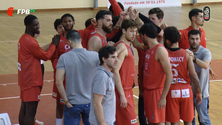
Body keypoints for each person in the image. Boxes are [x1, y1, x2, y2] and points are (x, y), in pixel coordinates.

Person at [18, 14, 59, 125]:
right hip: (32, 80)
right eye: (34, 25)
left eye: (38, 24)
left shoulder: (23, 38)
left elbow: (36, 52)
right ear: (28, 26)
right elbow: (45, 56)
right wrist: (54, 44)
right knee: (31, 111)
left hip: (24, 78)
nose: (38, 27)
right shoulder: (31, 42)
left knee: (24, 107)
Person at [56, 30, 99, 125]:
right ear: (80, 39)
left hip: (73, 103)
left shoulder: (64, 58)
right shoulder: (95, 56)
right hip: (90, 102)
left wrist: (66, 101)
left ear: (70, 42)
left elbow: (58, 82)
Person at [164, 27, 202, 125]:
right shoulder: (187, 54)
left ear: (167, 41)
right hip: (186, 91)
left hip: (172, 90)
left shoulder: (163, 53)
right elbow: (194, 75)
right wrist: (199, 92)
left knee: (174, 122)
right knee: (188, 121)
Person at [138, 23, 172, 125]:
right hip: (148, 92)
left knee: (158, 122)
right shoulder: (148, 48)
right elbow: (135, 43)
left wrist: (163, 97)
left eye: (140, 35)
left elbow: (169, 75)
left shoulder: (160, 50)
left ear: (144, 35)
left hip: (157, 93)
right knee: (151, 122)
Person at [113, 19, 138, 125]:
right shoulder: (122, 48)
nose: (134, 34)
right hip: (122, 91)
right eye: (131, 31)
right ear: (123, 31)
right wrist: (122, 95)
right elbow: (115, 71)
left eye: (135, 31)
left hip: (126, 90)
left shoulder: (125, 46)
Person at [187, 30, 212, 125]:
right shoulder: (186, 52)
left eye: (197, 39)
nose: (194, 41)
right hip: (189, 93)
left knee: (204, 119)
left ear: (200, 39)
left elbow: (205, 65)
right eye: (192, 39)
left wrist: (193, 58)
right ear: (188, 39)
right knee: (190, 119)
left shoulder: (206, 52)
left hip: (202, 93)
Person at [89, 46, 118, 125]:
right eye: (113, 57)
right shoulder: (102, 76)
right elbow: (97, 103)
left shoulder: (107, 74)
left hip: (108, 120)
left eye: (116, 57)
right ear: (104, 59)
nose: (116, 60)